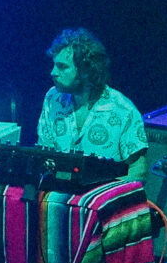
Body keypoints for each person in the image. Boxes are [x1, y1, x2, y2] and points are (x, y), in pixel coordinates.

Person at [37, 27, 150, 184]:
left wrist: (106, 194)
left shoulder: (123, 110)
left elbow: (139, 169)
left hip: (102, 202)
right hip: (58, 198)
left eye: (62, 66)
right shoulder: (52, 99)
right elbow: (43, 153)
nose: (53, 72)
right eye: (54, 65)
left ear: (86, 69)